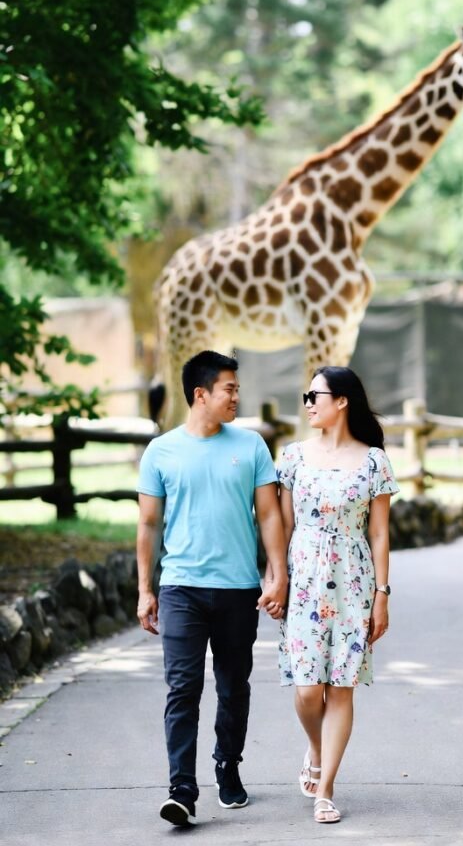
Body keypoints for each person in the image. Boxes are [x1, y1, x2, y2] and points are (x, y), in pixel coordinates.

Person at [136, 350, 287, 827]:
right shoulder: (160, 451)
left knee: (233, 687)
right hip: (181, 587)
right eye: (229, 389)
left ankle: (227, 763)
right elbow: (147, 524)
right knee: (183, 688)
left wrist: (277, 573)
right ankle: (181, 787)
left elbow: (269, 514)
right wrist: (145, 589)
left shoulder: (253, 447)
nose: (237, 397)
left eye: (237, 389)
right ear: (200, 394)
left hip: (239, 589)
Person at [277, 365, 398, 824]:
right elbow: (283, 528)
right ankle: (314, 745)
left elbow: (381, 534)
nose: (308, 403)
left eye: (316, 395)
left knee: (341, 687)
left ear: (342, 401)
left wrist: (382, 594)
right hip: (305, 577)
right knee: (309, 689)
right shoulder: (292, 457)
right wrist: (277, 581)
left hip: (354, 582)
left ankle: (325, 788)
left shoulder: (374, 461)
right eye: (305, 396)